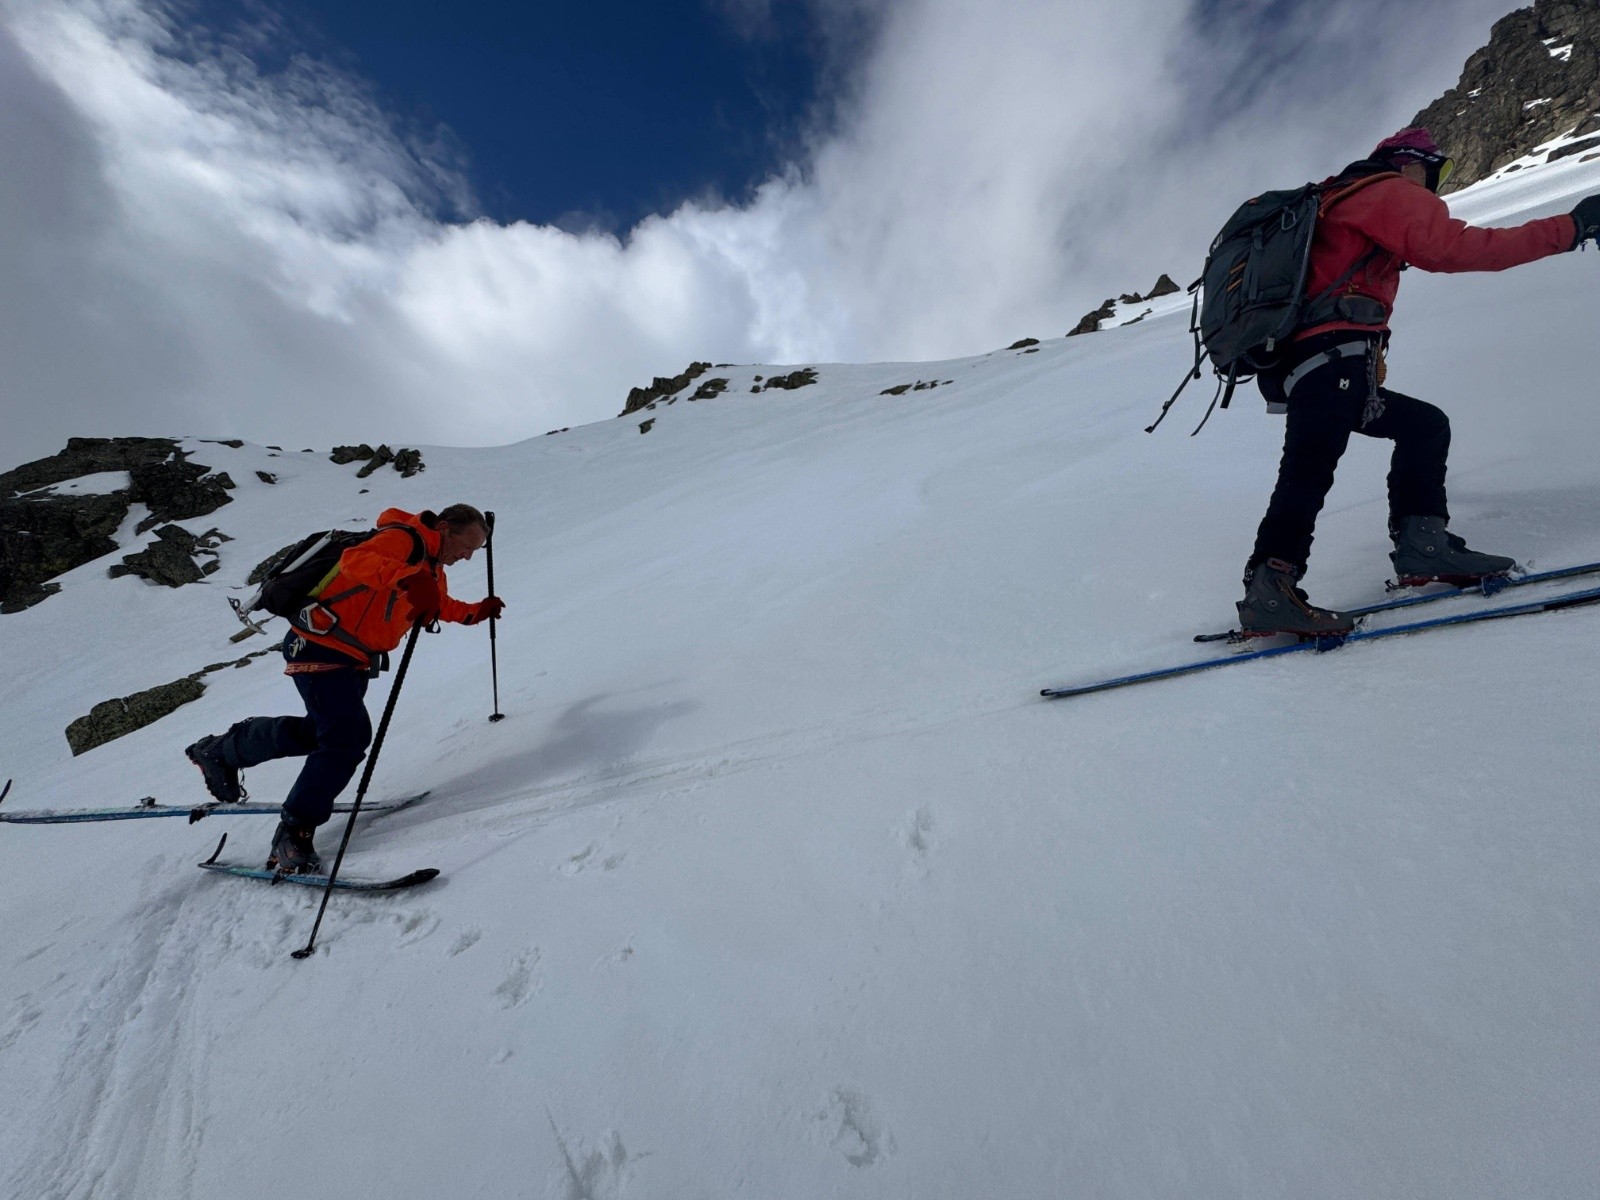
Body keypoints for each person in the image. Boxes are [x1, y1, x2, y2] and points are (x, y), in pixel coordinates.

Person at [1238, 126, 1600, 637]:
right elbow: (1455, 248)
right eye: (1435, 173)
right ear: (1411, 164)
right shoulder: (1384, 191)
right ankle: (1271, 587)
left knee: (1422, 426)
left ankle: (1421, 546)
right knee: (1308, 468)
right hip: (1333, 358)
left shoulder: (1334, 200)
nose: (1433, 188)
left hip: (1315, 363)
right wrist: (1571, 226)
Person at [185, 504, 504, 872]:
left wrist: (475, 611)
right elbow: (356, 562)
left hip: (353, 658)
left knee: (319, 733)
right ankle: (294, 832)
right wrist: (408, 579)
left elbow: (435, 605)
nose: (466, 557)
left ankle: (222, 750)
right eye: (466, 546)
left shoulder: (433, 567)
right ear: (445, 526)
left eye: (474, 553)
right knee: (346, 739)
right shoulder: (402, 539)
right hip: (320, 647)